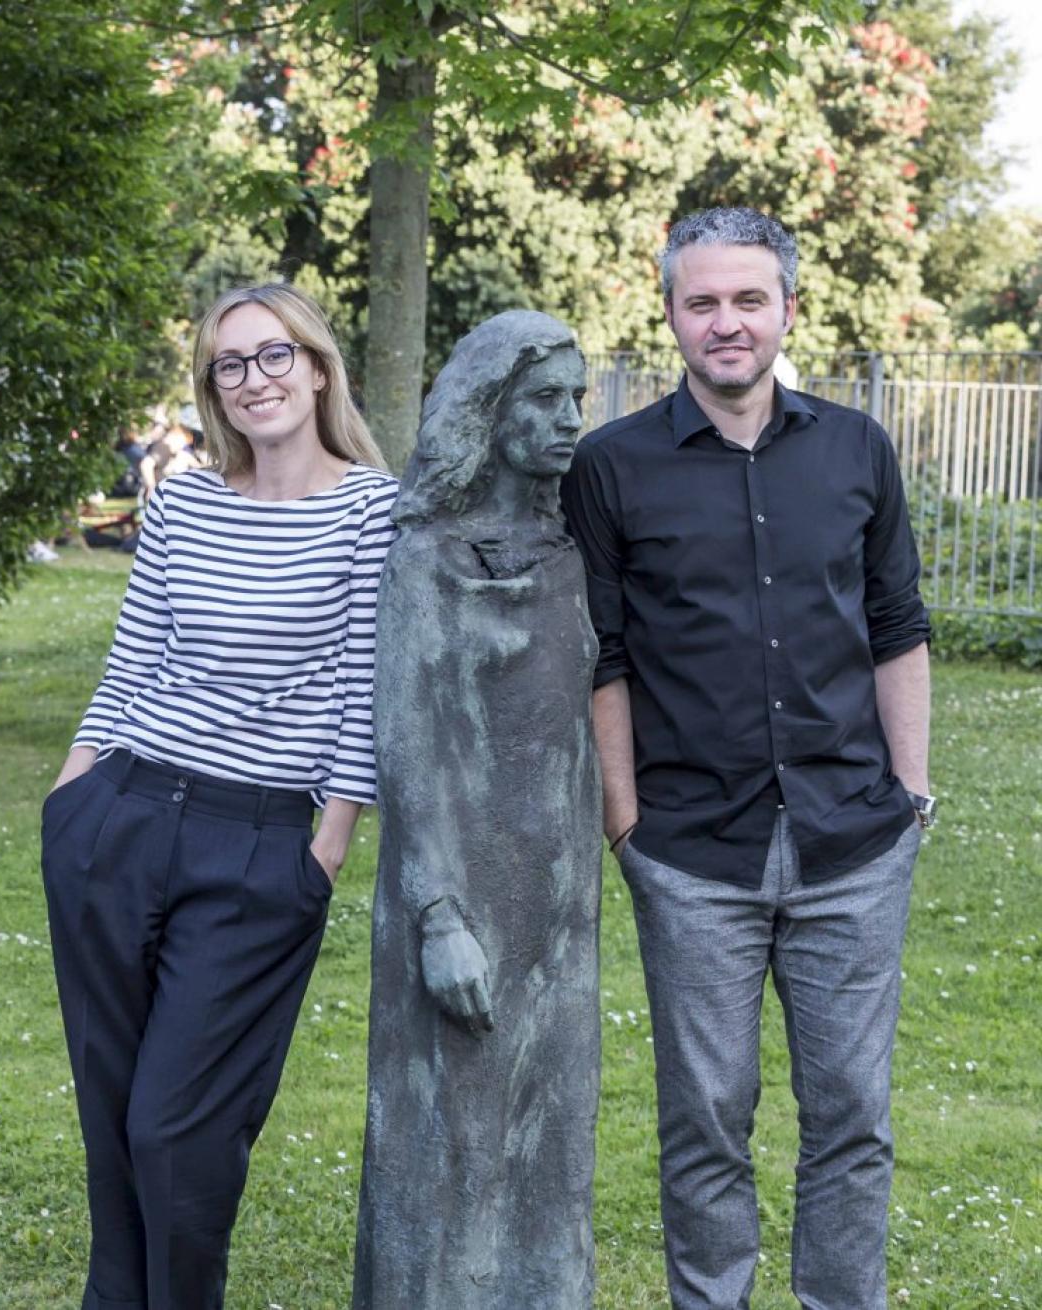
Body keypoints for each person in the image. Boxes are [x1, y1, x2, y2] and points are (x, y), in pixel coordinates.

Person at [562, 206, 934, 1310]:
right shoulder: (610, 466)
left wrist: (912, 795)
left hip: (854, 843)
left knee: (852, 1117)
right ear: (671, 310)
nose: (727, 322)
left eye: (748, 299)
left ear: (788, 308)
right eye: (703, 301)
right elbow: (602, 656)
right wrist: (625, 822)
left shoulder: (857, 447)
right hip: (690, 852)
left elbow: (898, 624)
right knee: (707, 1119)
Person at [41, 282, 399, 1308]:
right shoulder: (186, 499)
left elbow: (361, 688)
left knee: (176, 1127)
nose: (254, 380)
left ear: (320, 367)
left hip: (260, 845)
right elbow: (133, 657)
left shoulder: (375, 509)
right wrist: (72, 794)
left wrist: (326, 842)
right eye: (229, 365)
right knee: (113, 1122)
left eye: (275, 355)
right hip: (119, 819)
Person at [354, 310, 600, 1308]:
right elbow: (408, 743)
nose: (569, 418)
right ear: (490, 410)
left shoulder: (571, 549)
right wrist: (439, 914)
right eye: (544, 399)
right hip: (454, 894)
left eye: (577, 397)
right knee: (450, 1153)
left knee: (551, 1148)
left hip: (562, 904)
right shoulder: (426, 561)